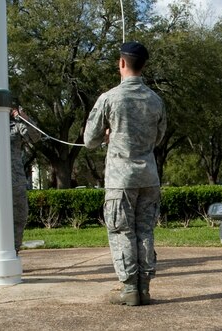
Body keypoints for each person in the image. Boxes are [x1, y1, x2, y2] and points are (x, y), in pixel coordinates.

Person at [83, 41, 166, 306]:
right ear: (143, 66)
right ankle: (144, 288)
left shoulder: (109, 98)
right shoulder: (156, 100)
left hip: (121, 179)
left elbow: (89, 140)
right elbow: (159, 137)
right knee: (145, 231)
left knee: (122, 232)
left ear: (121, 63)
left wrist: (110, 136)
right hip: (149, 176)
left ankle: (129, 289)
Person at [9, 99, 41, 253]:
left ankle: (14, 250)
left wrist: (24, 118)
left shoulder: (15, 124)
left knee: (20, 214)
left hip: (15, 178)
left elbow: (35, 137)